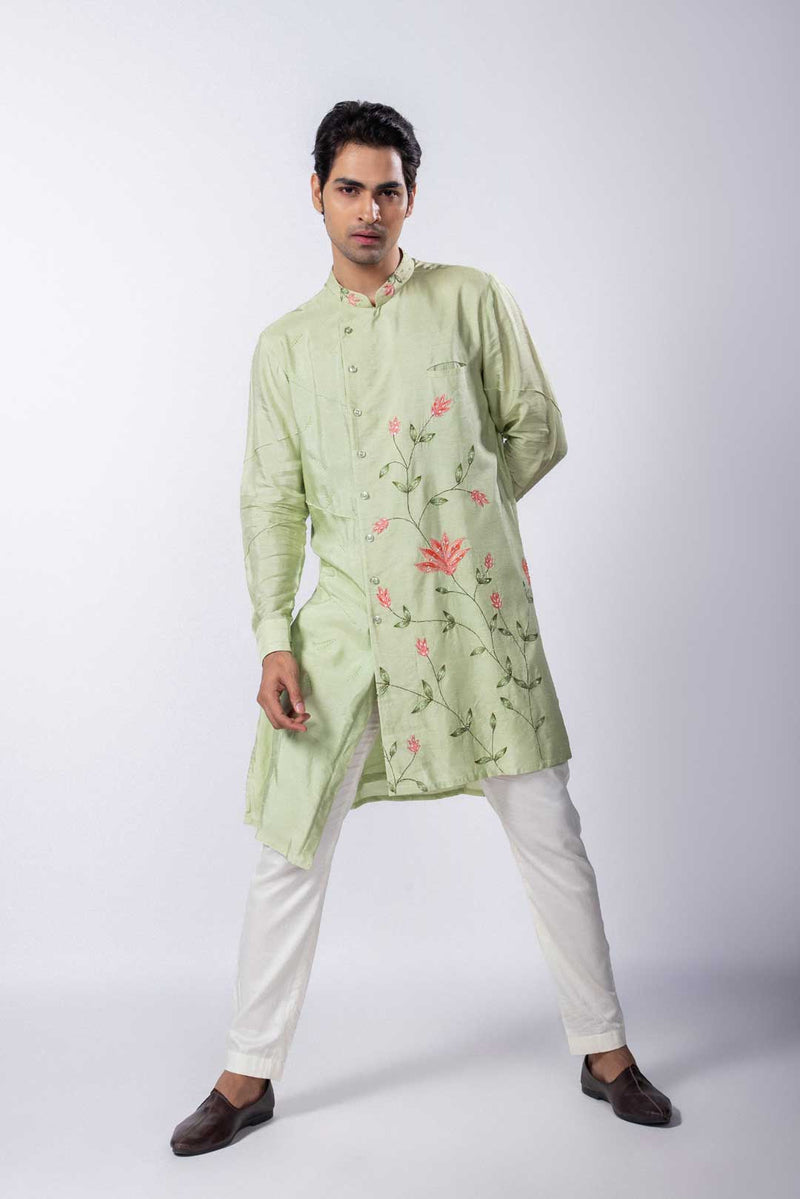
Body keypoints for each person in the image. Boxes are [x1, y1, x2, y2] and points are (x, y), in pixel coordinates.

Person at [170, 99, 673, 1157]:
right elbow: (271, 500)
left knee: (547, 825)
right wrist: (272, 636)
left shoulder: (469, 299)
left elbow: (535, 425)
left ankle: (605, 1050)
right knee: (290, 843)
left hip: (473, 616)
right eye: (349, 188)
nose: (368, 209)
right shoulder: (285, 348)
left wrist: (461, 515)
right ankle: (246, 1072)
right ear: (316, 194)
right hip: (345, 628)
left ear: (411, 198)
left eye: (387, 190)